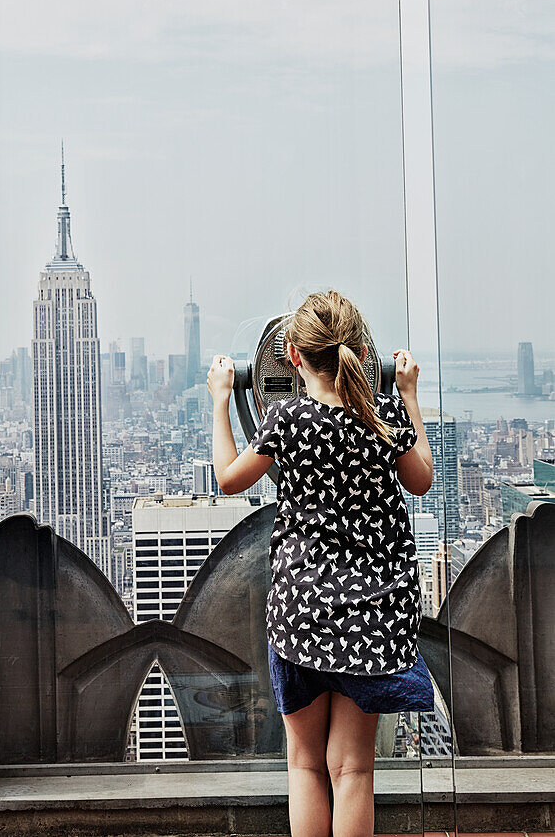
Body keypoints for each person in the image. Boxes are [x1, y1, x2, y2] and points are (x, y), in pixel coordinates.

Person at [207, 289, 435, 837]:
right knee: (353, 767)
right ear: (361, 351)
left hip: (303, 612)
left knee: (304, 764)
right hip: (375, 614)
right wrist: (407, 394)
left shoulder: (286, 419)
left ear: (291, 355)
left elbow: (228, 478)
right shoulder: (382, 418)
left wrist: (220, 398)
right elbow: (421, 478)